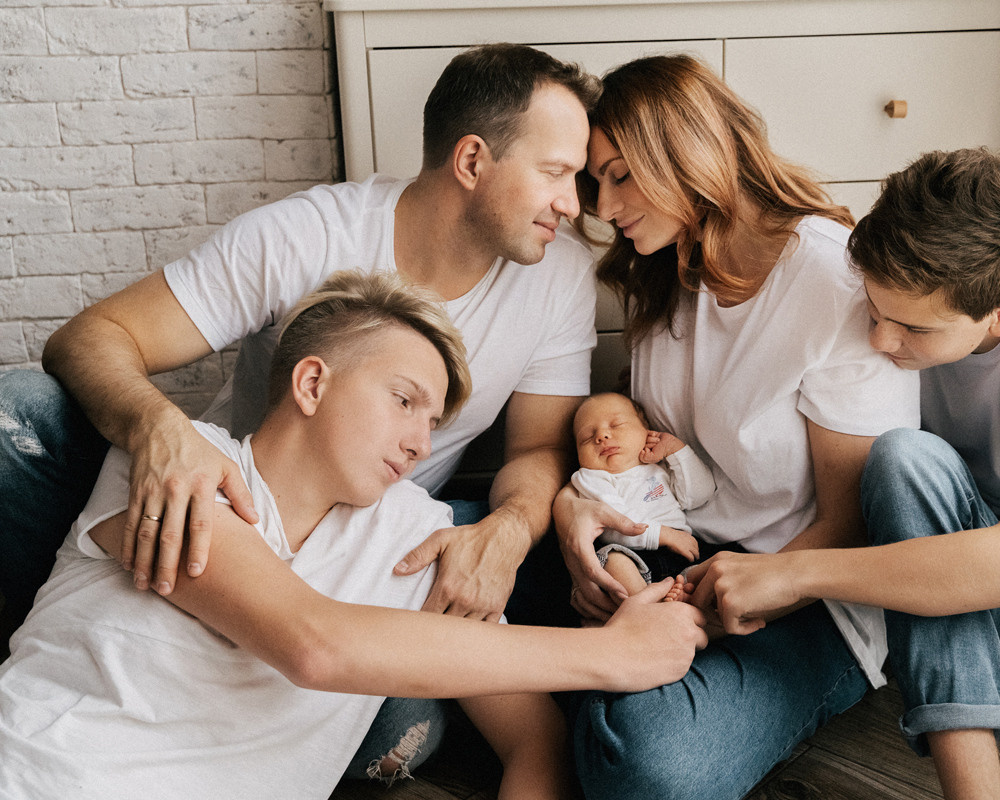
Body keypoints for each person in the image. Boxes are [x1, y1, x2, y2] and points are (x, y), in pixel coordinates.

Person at [0, 42, 596, 776]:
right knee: (18, 414)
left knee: (396, 724)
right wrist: (157, 431)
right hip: (228, 505)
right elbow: (94, 336)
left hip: (375, 551)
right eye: (558, 174)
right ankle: (71, 611)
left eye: (432, 417)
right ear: (473, 161)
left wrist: (506, 531)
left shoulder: (560, 278)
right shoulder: (308, 234)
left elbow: (537, 452)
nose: (574, 204)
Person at [0, 271, 708, 800]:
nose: (418, 442)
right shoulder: (176, 460)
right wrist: (611, 655)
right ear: (312, 383)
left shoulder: (418, 536)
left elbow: (534, 741)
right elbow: (312, 644)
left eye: (433, 423)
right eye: (404, 401)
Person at [686, 147, 1000, 800]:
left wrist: (792, 571)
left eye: (913, 328)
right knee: (903, 457)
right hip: (980, 598)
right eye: (875, 312)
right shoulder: (886, 325)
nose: (880, 340)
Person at [554, 54, 919, 799]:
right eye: (595, 181)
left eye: (620, 174)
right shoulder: (662, 270)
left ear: (686, 148)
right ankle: (571, 680)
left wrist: (700, 611)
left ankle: (545, 689)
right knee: (443, 549)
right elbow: (647, 441)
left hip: (802, 597)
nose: (601, 204)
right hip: (669, 550)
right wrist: (580, 510)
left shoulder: (831, 282)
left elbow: (854, 523)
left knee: (648, 763)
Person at [570, 391, 714, 595]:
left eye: (616, 425)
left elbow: (699, 495)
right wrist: (663, 534)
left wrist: (676, 451)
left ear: (645, 428)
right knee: (613, 562)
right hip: (635, 557)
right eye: (587, 437)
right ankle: (648, 607)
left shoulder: (661, 465)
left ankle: (684, 599)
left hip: (683, 551)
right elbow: (615, 523)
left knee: (722, 563)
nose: (601, 436)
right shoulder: (592, 478)